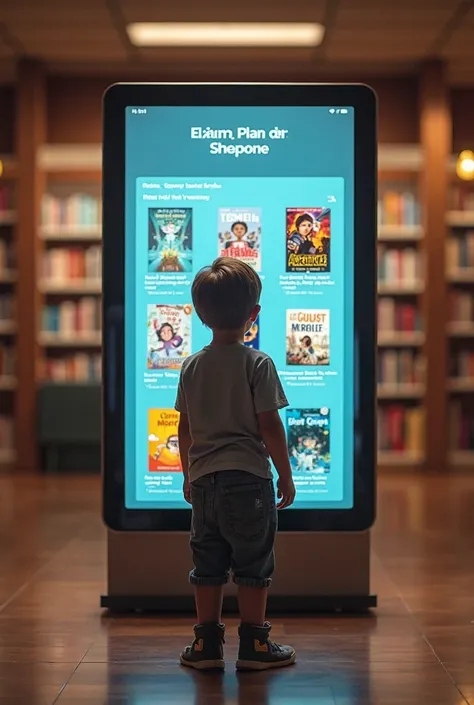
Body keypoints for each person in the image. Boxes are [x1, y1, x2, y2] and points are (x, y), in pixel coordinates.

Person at [175, 256, 296, 672]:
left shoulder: (191, 365)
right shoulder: (257, 364)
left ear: (200, 313)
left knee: (207, 564)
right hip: (249, 481)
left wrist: (189, 474)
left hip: (204, 484)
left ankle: (206, 645)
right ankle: (254, 647)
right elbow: (269, 426)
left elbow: (184, 429)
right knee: (253, 563)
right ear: (254, 314)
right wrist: (286, 473)